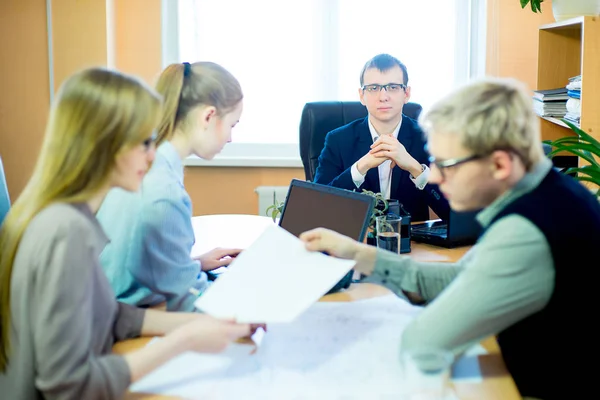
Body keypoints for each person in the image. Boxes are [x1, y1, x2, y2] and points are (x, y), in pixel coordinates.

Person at [300, 77, 599, 399]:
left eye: (446, 165)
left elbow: (421, 343)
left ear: (499, 164)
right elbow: (458, 279)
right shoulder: (547, 193)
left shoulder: (526, 229)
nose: (436, 176)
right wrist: (360, 255)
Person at [0, 68, 252, 399]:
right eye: (145, 142)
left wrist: (204, 326)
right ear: (107, 145)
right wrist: (184, 341)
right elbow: (69, 386)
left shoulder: (66, 213)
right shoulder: (66, 234)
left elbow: (109, 312)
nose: (153, 155)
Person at [97, 61, 244, 311]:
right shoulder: (165, 191)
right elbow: (191, 303)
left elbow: (134, 258)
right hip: (119, 322)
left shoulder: (144, 160)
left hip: (108, 303)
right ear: (208, 116)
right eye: (232, 125)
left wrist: (193, 264)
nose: (230, 138)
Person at [313, 53, 449, 222]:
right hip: (355, 242)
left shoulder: (429, 139)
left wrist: (416, 169)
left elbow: (454, 214)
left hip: (412, 245)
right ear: (362, 96)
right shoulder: (338, 140)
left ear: (406, 94)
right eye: (373, 88)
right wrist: (360, 168)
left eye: (393, 87)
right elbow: (317, 207)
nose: (383, 97)